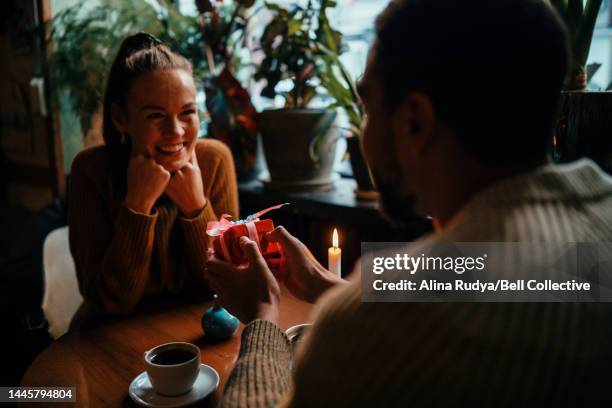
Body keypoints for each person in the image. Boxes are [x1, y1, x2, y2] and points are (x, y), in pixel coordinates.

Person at [205, 0, 612, 406]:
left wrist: (263, 316)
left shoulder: (367, 329)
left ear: (414, 121)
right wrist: (326, 287)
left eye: (366, 108)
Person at [69, 33, 238, 319]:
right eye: (155, 116)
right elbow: (107, 303)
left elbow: (227, 288)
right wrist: (137, 205)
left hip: (194, 334)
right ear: (121, 119)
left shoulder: (215, 160)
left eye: (187, 112)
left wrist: (195, 207)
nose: (176, 130)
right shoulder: (91, 172)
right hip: (109, 342)